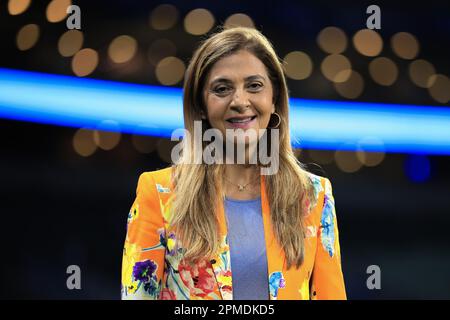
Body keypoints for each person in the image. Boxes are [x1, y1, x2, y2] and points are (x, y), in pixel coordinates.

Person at [121, 26, 346, 300]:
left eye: (254, 86)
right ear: (201, 106)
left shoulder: (314, 197)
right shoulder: (158, 193)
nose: (240, 101)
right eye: (222, 88)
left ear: (274, 98)